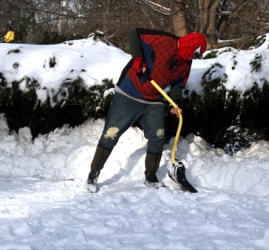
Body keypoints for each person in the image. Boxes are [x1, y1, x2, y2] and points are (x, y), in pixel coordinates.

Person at [85, 28, 207, 193]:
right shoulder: (163, 40)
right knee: (111, 134)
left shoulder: (186, 62)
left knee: (157, 137)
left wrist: (175, 102)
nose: (196, 58)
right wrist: (138, 59)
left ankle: (151, 177)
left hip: (154, 100)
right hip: (129, 93)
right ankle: (93, 176)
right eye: (196, 53)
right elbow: (133, 32)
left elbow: (179, 83)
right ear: (190, 46)